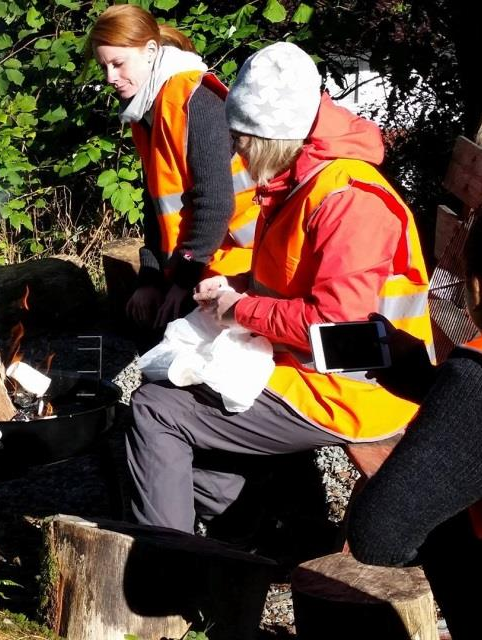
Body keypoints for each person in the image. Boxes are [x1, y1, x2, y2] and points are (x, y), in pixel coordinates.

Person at [127, 42, 433, 535]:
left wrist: (238, 310)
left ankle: (163, 574)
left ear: (271, 136)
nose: (238, 153)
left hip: (357, 391)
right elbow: (291, 278)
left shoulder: (347, 200)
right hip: (304, 368)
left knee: (157, 411)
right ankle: (256, 540)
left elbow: (337, 330)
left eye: (243, 140)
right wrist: (238, 285)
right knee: (178, 408)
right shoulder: (301, 178)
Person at [349, 188, 482, 639]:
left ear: (475, 288)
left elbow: (379, 536)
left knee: (447, 520)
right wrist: (431, 385)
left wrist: (449, 407)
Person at [89, 5, 258, 335]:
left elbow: (214, 204)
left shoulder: (195, 100)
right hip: (204, 259)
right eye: (103, 66)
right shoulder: (149, 109)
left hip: (244, 262)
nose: (110, 77)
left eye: (118, 63)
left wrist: (181, 283)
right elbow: (158, 207)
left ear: (151, 51)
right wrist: (150, 278)